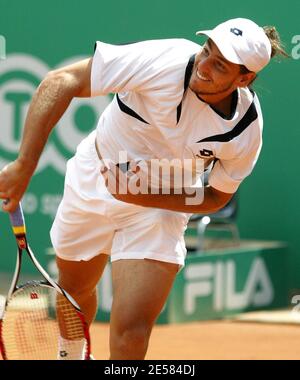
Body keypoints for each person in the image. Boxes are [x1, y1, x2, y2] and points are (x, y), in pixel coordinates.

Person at [0, 18, 288, 359]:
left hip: (163, 204)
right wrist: (24, 164)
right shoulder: (164, 59)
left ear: (244, 78)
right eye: (207, 50)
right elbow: (62, 80)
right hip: (95, 175)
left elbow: (214, 197)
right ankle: (72, 353)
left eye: (220, 64)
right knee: (75, 290)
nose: (204, 66)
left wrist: (143, 196)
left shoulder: (246, 127)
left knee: (132, 332)